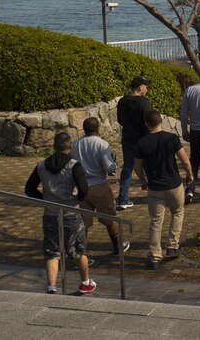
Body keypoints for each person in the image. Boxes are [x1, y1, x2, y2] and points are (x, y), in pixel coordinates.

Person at [24, 132, 96, 295]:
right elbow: (84, 189)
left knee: (52, 252)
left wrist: (44, 198)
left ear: (54, 147)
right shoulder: (74, 165)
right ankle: (85, 283)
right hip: (71, 214)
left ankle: (52, 287)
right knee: (78, 249)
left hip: (50, 213)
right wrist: (77, 198)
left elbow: (29, 189)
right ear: (70, 147)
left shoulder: (41, 165)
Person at [134, 110, 193, 270]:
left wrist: (143, 181)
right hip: (174, 184)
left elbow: (137, 167)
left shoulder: (142, 142)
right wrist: (190, 174)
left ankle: (154, 256)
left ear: (147, 124)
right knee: (178, 212)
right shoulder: (171, 138)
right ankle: (172, 246)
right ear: (161, 121)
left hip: (154, 187)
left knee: (155, 221)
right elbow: (185, 161)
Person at [71, 117, 129, 256]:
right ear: (97, 128)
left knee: (83, 223)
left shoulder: (76, 144)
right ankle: (118, 245)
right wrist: (115, 165)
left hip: (81, 187)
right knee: (109, 218)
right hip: (99, 186)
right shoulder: (102, 144)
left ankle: (81, 252)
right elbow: (109, 167)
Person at [115, 76, 153, 210]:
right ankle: (155, 195)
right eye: (146, 85)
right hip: (143, 139)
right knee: (149, 167)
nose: (147, 88)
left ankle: (123, 199)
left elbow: (120, 119)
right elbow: (148, 123)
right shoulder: (144, 103)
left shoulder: (122, 102)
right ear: (140, 87)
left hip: (128, 138)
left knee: (127, 168)